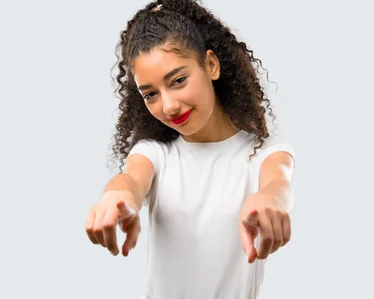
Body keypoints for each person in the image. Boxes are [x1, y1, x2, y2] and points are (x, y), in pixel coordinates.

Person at [84, 0, 296, 298]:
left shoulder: (264, 153)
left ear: (211, 65)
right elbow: (131, 180)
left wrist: (269, 200)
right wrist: (116, 196)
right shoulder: (156, 154)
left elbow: (279, 182)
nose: (168, 105)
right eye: (151, 94)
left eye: (179, 80)